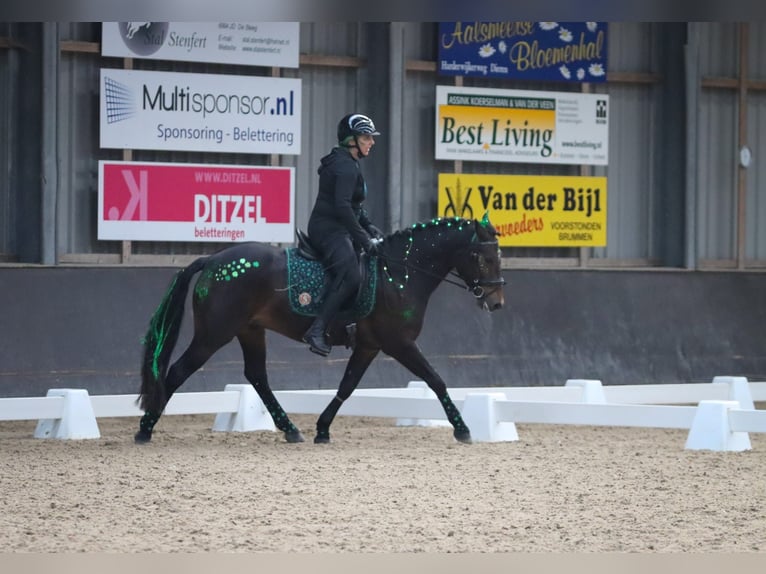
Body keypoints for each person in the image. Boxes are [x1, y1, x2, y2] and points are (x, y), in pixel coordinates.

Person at [302, 113, 384, 356]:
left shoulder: (347, 161)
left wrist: (369, 226)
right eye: (366, 137)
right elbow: (343, 207)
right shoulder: (345, 166)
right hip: (328, 230)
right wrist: (364, 239)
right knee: (351, 273)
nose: (372, 142)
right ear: (351, 140)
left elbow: (355, 207)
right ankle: (316, 330)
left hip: (337, 227)